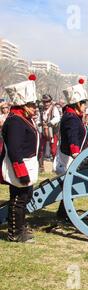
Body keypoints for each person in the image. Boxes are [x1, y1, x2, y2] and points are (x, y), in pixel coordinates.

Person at [1, 75, 40, 242]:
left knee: (24, 198)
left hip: (26, 164)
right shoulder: (16, 121)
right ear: (23, 105)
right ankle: (15, 233)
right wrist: (21, 172)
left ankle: (21, 226)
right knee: (18, 200)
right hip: (19, 165)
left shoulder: (23, 119)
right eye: (32, 105)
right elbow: (15, 150)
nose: (35, 108)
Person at [53, 79, 88, 222]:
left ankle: (63, 212)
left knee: (71, 187)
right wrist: (76, 153)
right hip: (68, 158)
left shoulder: (73, 116)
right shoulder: (71, 118)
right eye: (83, 103)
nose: (85, 106)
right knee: (71, 186)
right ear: (77, 104)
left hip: (70, 156)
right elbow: (72, 135)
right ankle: (64, 213)